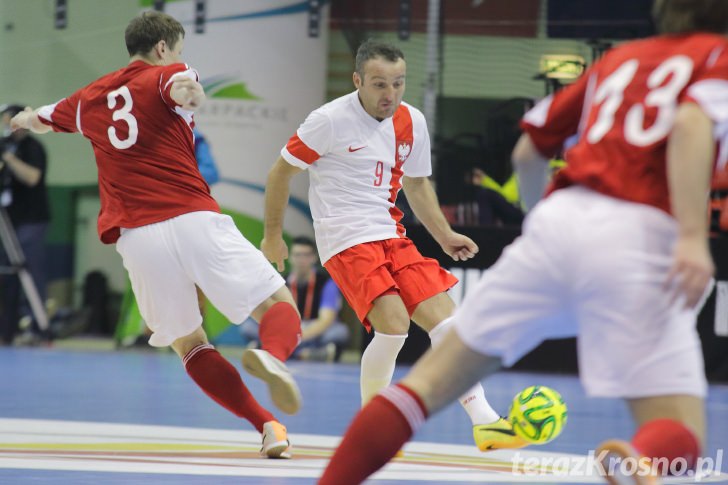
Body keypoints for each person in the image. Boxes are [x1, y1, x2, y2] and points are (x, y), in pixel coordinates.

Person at [319, 0, 724, 483]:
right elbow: (691, 125)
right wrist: (694, 239)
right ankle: (633, 461)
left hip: (556, 225)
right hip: (638, 238)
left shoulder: (621, 60)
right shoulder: (717, 58)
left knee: (420, 388)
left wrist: (539, 226)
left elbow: (528, 152)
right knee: (678, 428)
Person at [10, 11, 303, 458]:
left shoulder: (89, 98)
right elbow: (179, 86)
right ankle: (274, 358)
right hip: (191, 218)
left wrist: (23, 120)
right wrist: (189, 89)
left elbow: (43, 119)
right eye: (179, 49)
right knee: (277, 304)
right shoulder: (170, 73)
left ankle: (266, 425)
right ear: (164, 48)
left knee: (188, 342)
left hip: (137, 237)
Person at [262, 39, 526, 451]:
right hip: (344, 236)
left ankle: (486, 423)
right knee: (395, 326)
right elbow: (280, 174)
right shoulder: (328, 120)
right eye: (380, 84)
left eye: (398, 83)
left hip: (390, 232)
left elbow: (417, 183)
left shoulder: (412, 120)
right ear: (357, 81)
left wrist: (444, 235)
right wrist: (272, 235)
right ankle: (372, 426)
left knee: (449, 323)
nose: (390, 94)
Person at [242, 236, 349, 362]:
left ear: (314, 258)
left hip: (312, 328)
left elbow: (325, 320)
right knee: (248, 327)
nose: (302, 260)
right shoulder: (280, 281)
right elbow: (273, 315)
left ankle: (282, 350)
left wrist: (298, 337)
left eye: (306, 255)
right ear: (290, 257)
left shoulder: (326, 282)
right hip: (288, 329)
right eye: (297, 255)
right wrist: (290, 333)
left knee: (340, 332)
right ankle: (309, 353)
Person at [0, 104, 50, 346]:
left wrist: (8, 159)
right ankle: (7, 330)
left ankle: (37, 327)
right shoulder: (7, 146)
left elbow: (33, 177)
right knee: (8, 276)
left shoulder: (32, 148)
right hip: (9, 220)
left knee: (30, 273)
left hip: (31, 220)